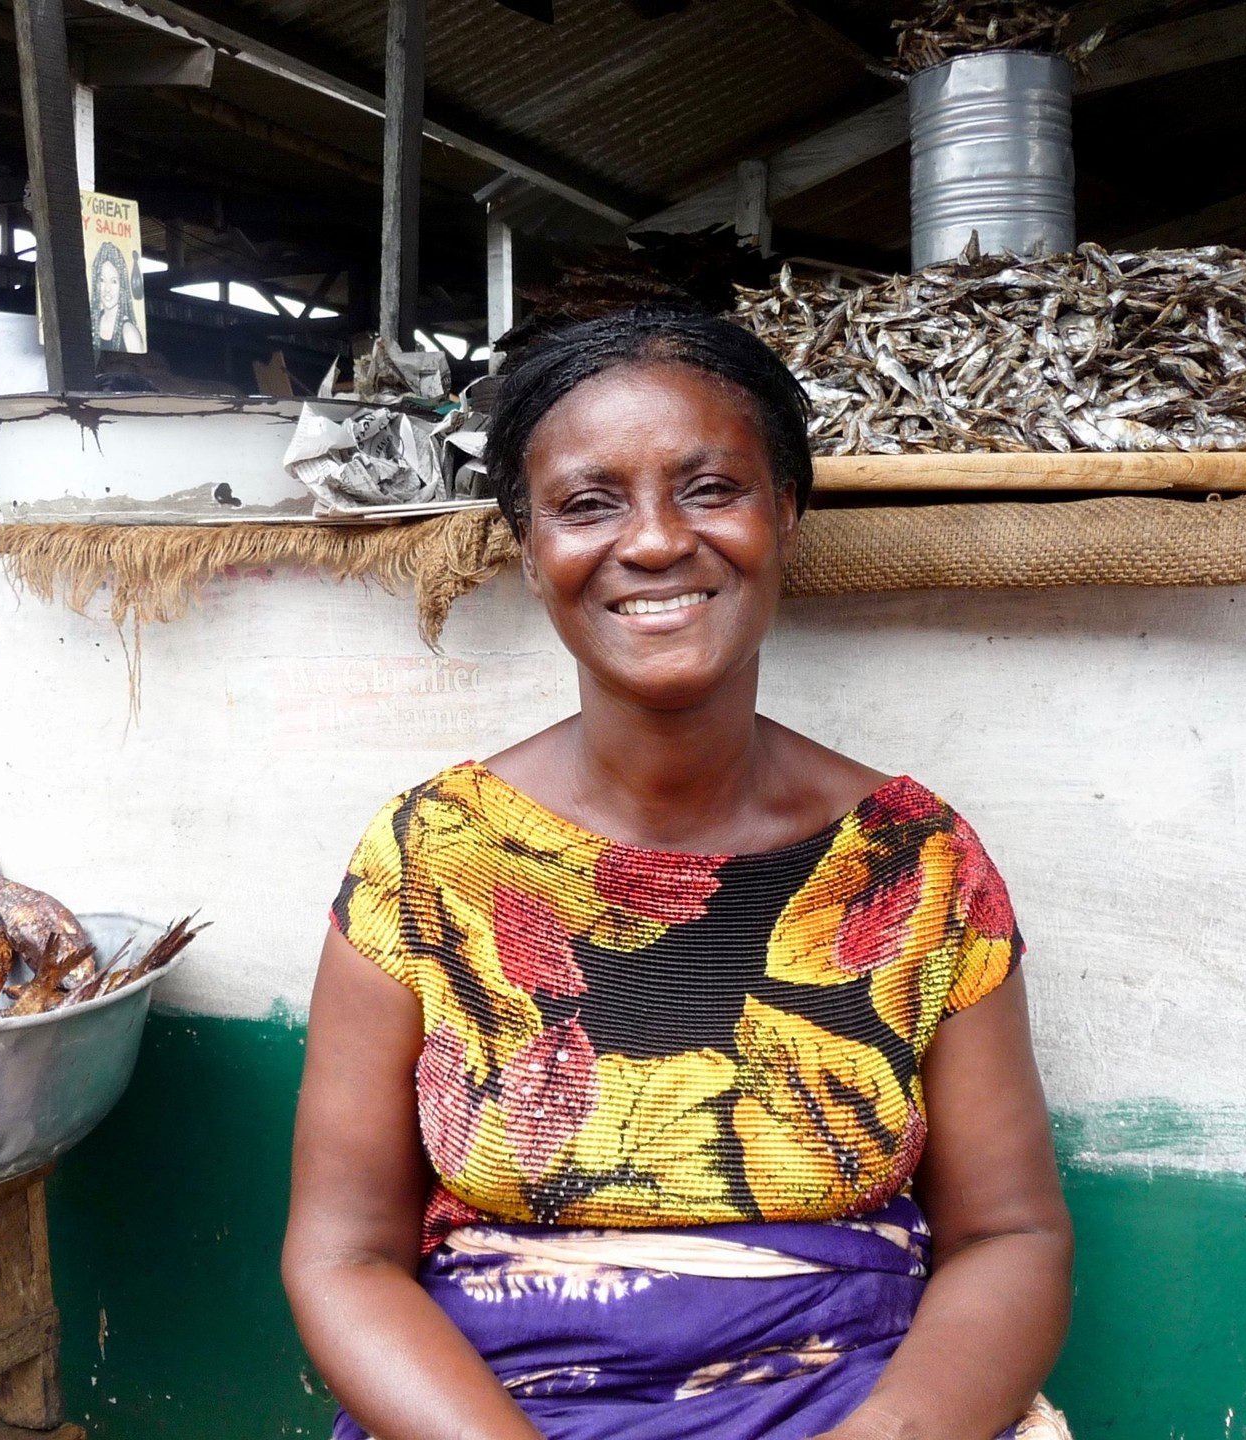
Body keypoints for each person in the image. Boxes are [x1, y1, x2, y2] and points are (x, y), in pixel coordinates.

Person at [283, 309, 1075, 1440]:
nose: (653, 542)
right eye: (589, 502)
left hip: (858, 1408)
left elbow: (1012, 1236)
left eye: (710, 489)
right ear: (527, 545)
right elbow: (342, 1255)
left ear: (785, 515)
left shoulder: (914, 863)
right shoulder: (427, 861)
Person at [89, 243, 145, 353]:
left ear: (122, 286)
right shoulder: (93, 324)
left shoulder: (129, 333)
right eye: (102, 280)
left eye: (114, 281)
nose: (107, 289)